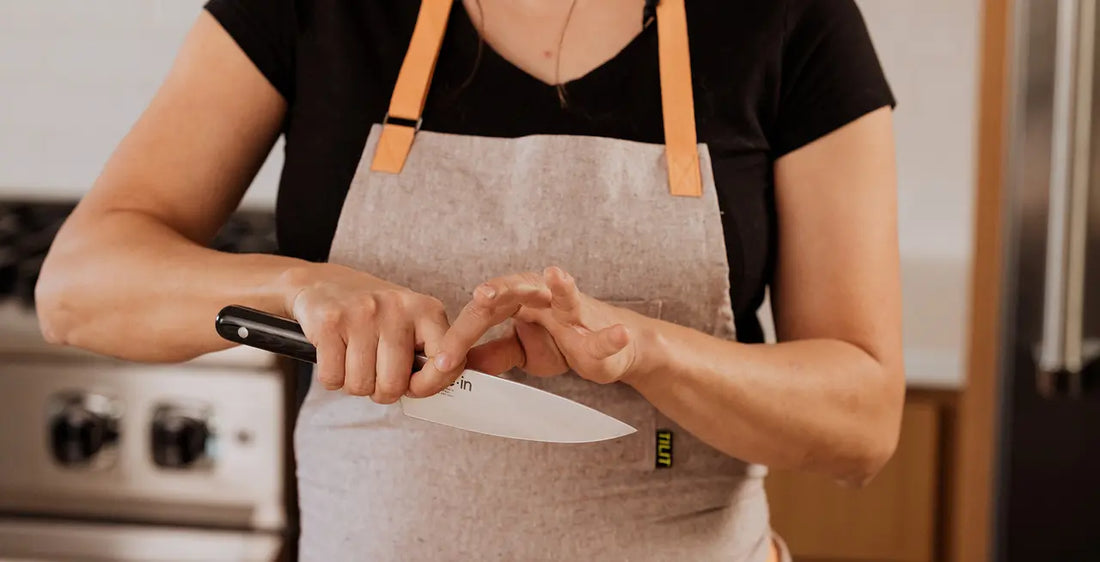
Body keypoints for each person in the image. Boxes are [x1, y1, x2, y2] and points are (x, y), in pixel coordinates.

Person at [35, 0, 904, 560]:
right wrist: (300, 288)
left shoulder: (790, 19)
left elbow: (861, 424)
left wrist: (651, 353)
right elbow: (79, 287)